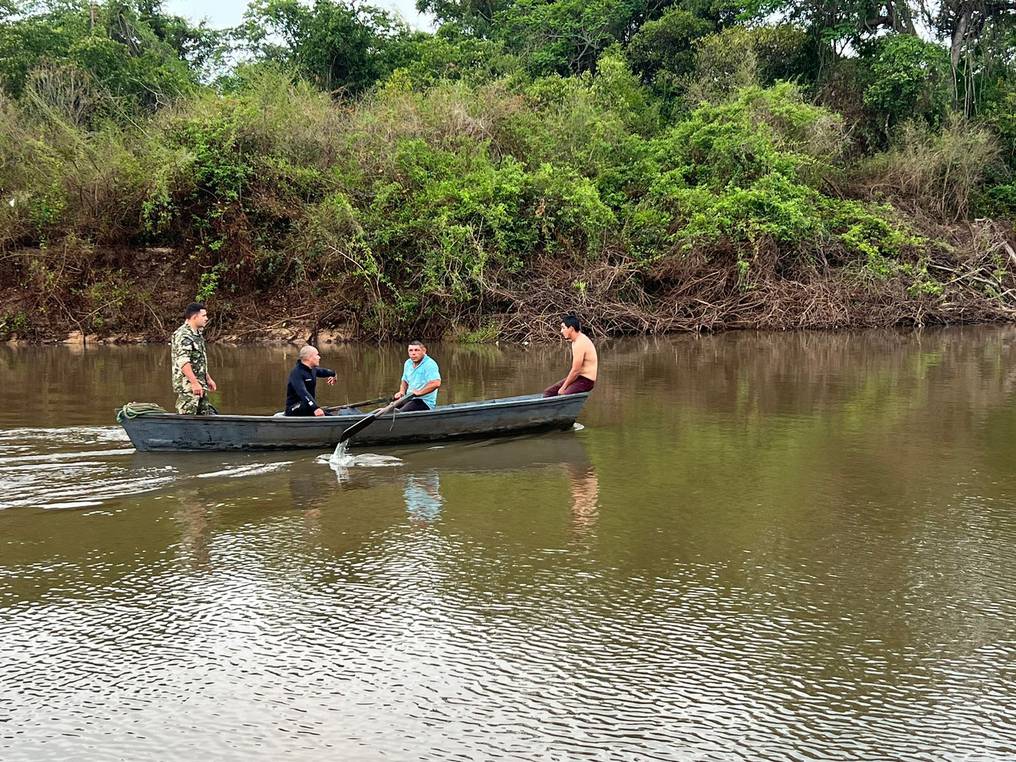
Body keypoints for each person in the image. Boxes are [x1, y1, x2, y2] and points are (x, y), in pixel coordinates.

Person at [171, 302, 217, 415]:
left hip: (200, 384)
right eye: (204, 316)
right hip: (189, 387)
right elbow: (183, 361)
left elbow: (199, 361)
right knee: (188, 420)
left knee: (204, 417)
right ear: (194, 317)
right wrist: (194, 383)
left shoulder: (197, 334)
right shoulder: (183, 335)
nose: (206, 319)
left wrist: (207, 378)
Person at [543, 314, 597, 397]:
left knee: (563, 395)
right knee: (548, 392)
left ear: (571, 329)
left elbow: (576, 370)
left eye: (563, 328)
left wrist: (563, 387)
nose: (561, 331)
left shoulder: (581, 342)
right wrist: (563, 386)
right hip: (578, 378)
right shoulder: (575, 341)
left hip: (586, 381)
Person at [284, 345, 337, 416]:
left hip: (309, 407)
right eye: (317, 355)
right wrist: (315, 408)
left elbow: (330, 372)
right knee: (307, 404)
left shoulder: (313, 370)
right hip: (293, 409)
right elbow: (302, 392)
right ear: (309, 358)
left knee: (329, 416)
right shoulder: (296, 373)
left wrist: (334, 376)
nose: (319, 357)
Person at [394, 340, 441, 412]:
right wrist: (402, 392)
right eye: (411, 350)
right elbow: (404, 381)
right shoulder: (408, 363)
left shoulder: (430, 364)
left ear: (424, 351)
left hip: (424, 402)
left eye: (417, 350)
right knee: (389, 408)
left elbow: (436, 383)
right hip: (409, 399)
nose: (413, 353)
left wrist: (419, 392)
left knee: (399, 413)